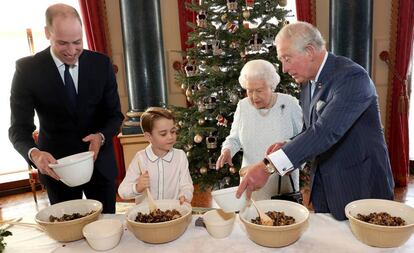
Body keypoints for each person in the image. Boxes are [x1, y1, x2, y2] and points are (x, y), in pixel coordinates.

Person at [236, 21, 395, 220]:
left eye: (287, 58)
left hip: (360, 185)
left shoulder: (352, 78)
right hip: (325, 187)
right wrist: (290, 143)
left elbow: (324, 132)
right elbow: (311, 129)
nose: (284, 68)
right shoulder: (308, 82)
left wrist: (268, 167)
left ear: (310, 51)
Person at [9, 4, 124, 213]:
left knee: (107, 234)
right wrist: (35, 154)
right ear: (47, 33)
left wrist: (101, 137)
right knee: (68, 238)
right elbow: (18, 129)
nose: (72, 51)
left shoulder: (101, 64)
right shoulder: (27, 70)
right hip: (56, 171)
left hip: (100, 168)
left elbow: (115, 116)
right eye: (62, 43)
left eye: (77, 42)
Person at [216, 59, 302, 200]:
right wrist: (227, 150)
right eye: (249, 91)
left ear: (271, 86)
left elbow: (302, 140)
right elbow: (235, 138)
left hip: (281, 183)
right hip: (251, 181)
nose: (254, 97)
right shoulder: (243, 106)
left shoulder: (289, 104)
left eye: (259, 91)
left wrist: (292, 161)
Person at [118, 107, 194, 204]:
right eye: (163, 134)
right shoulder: (140, 158)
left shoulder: (180, 156)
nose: (170, 137)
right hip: (147, 215)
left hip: (172, 213)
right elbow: (122, 191)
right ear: (149, 137)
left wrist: (185, 196)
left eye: (173, 131)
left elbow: (186, 185)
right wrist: (137, 187)